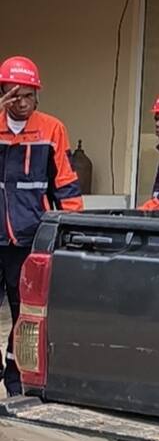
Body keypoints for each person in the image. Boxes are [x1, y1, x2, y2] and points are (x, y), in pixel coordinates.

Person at [0, 55, 84, 395]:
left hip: (28, 240)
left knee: (24, 317)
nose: (22, 103)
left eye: (29, 96)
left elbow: (66, 185)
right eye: (14, 95)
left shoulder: (52, 130)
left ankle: (15, 380)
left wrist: (74, 232)